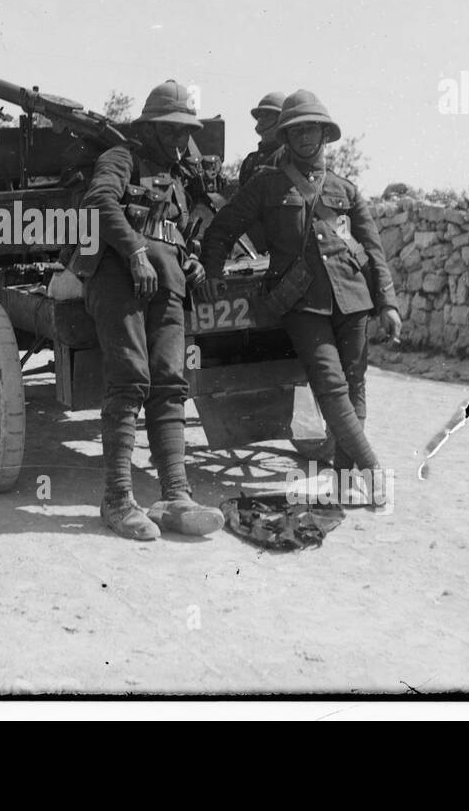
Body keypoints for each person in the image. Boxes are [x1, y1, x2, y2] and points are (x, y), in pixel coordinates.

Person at [201, 90, 401, 504]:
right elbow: (221, 229)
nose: (305, 137)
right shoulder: (266, 185)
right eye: (296, 130)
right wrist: (213, 275)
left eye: (312, 129)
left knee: (355, 385)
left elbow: (373, 249)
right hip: (301, 303)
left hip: (354, 300)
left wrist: (388, 304)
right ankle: (373, 470)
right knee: (330, 387)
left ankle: (346, 482)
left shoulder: (346, 190)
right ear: (286, 136)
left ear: (324, 133)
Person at [74, 80, 225, 541]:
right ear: (150, 128)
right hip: (118, 277)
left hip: (168, 284)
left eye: (185, 132)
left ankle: (175, 496)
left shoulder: (178, 178)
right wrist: (137, 252)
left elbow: (177, 230)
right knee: (129, 377)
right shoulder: (122, 158)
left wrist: (190, 256)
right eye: (172, 131)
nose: (181, 140)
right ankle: (117, 500)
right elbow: (98, 202)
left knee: (169, 379)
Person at [237, 90, 287, 186]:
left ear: (281, 120)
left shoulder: (286, 157)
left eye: (266, 115)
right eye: (259, 115)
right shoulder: (250, 161)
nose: (260, 119)